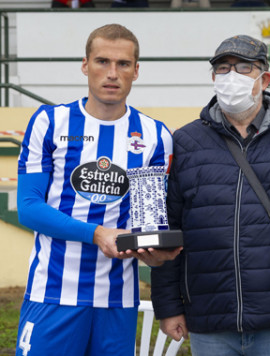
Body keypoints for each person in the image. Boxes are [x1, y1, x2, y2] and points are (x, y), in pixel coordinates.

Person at [15, 24, 181, 355]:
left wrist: (158, 254)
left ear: (136, 71)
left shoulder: (154, 135)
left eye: (122, 64)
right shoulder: (50, 122)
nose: (112, 73)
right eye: (102, 61)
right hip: (53, 293)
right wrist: (96, 234)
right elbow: (29, 206)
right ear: (85, 65)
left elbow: (148, 222)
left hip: (117, 301)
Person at [150, 35, 270, 356]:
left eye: (244, 68)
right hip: (209, 321)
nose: (231, 76)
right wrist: (167, 306)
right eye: (223, 68)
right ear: (212, 79)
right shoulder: (185, 142)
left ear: (265, 78)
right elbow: (168, 228)